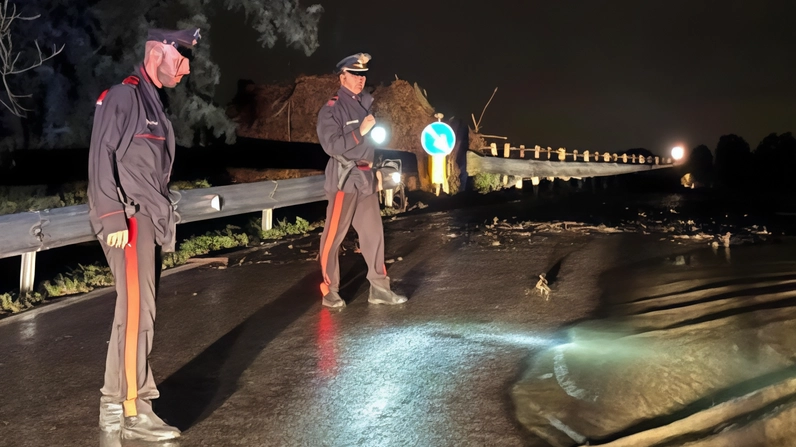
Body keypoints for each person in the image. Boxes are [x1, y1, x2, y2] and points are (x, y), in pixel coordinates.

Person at [87, 27, 201, 442]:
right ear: (158, 52)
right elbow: (101, 155)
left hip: (145, 221)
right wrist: (113, 216)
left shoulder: (152, 101)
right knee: (139, 316)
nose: (187, 67)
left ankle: (113, 408)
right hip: (129, 221)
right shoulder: (124, 95)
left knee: (131, 315)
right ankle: (135, 411)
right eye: (182, 56)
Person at [316, 53, 408, 309]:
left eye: (363, 74)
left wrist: (376, 169)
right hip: (344, 179)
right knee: (333, 236)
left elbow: (370, 142)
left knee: (374, 235)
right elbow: (332, 146)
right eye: (354, 74)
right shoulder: (332, 109)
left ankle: (379, 288)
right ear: (342, 76)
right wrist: (360, 132)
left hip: (365, 178)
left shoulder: (362, 104)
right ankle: (329, 290)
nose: (360, 79)